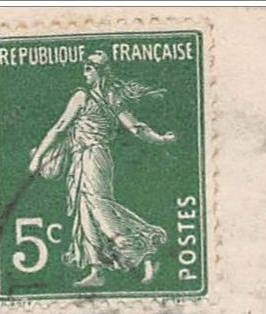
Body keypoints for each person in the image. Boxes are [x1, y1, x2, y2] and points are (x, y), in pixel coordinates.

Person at [28, 50, 175, 289]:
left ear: (99, 71)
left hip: (93, 156)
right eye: (84, 67)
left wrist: (39, 157)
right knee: (84, 210)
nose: (84, 72)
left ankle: (146, 250)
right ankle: (96, 270)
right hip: (83, 158)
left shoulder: (83, 97)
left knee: (99, 207)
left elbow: (60, 127)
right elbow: (136, 128)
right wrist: (161, 139)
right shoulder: (111, 97)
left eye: (89, 68)